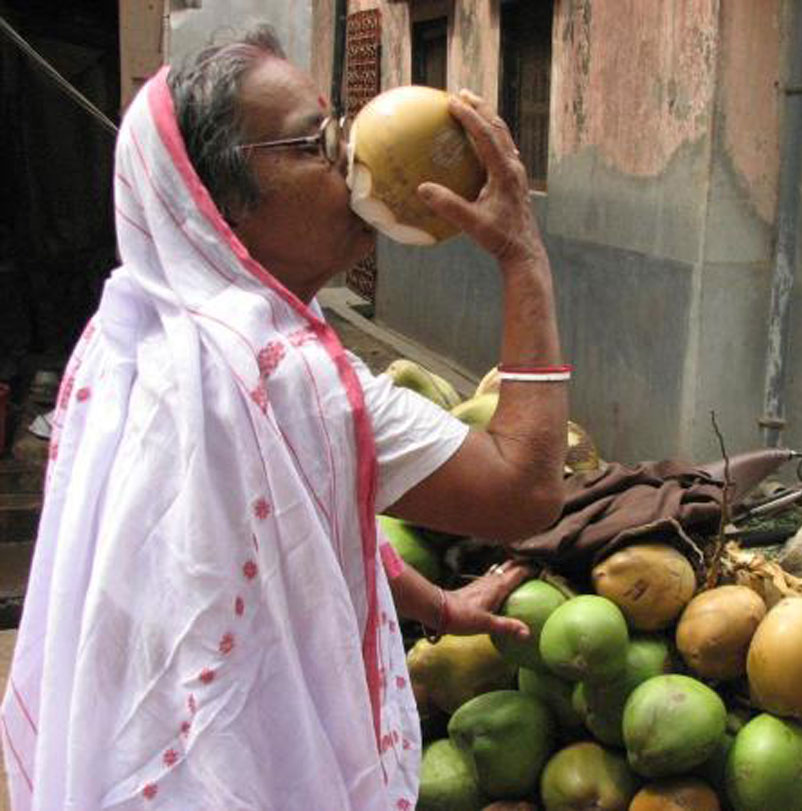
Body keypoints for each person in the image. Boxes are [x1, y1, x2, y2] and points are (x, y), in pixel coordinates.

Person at [1, 25, 567, 809]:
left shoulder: (125, 329)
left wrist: (434, 603)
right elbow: (525, 488)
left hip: (132, 757)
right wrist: (522, 259)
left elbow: (281, 515)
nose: (353, 161)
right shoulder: (284, 373)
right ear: (221, 204)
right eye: (316, 143)